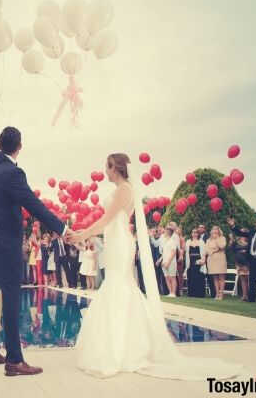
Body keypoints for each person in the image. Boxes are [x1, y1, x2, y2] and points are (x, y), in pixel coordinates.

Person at [70, 153, 241, 380]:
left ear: (116, 168)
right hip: (116, 241)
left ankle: (122, 349)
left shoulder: (124, 190)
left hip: (120, 242)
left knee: (119, 286)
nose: (105, 170)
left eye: (108, 166)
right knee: (119, 286)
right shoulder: (124, 189)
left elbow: (107, 220)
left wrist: (81, 233)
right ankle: (125, 344)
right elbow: (108, 222)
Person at [0, 121, 72, 377]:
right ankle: (14, 360)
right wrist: (62, 229)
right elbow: (34, 205)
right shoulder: (12, 173)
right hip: (5, 243)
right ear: (19, 147)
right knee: (10, 298)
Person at [228, 217, 256, 303]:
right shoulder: (252, 232)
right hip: (253, 259)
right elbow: (240, 233)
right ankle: (251, 299)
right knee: (252, 280)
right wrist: (233, 225)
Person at [205, 226, 227, 300]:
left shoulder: (222, 238)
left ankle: (221, 294)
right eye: (213, 229)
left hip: (220, 259)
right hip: (211, 259)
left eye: (216, 229)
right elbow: (206, 250)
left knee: (221, 277)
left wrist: (217, 239)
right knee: (215, 278)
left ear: (218, 231)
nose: (214, 231)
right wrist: (214, 250)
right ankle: (217, 294)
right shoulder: (208, 240)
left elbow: (222, 246)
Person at [229, 228, 250, 301]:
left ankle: (249, 295)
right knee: (242, 279)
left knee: (248, 279)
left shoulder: (249, 241)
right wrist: (231, 240)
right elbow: (231, 249)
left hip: (247, 263)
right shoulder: (237, 242)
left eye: (243, 231)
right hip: (239, 263)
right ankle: (244, 296)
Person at [185, 229, 206, 298]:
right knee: (191, 277)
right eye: (193, 232)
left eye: (196, 232)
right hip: (190, 261)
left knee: (198, 276)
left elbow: (203, 252)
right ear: (191, 234)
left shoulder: (201, 242)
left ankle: (199, 294)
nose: (194, 234)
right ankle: (191, 293)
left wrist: (202, 260)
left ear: (198, 234)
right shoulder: (188, 242)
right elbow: (186, 252)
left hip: (198, 260)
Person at [160, 227, 178, 297]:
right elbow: (164, 252)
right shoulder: (165, 241)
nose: (164, 232)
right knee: (166, 277)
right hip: (164, 261)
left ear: (168, 232)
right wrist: (161, 260)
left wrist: (168, 262)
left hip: (171, 262)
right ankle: (170, 292)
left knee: (172, 277)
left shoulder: (172, 241)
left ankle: (173, 293)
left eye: (165, 231)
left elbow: (173, 253)